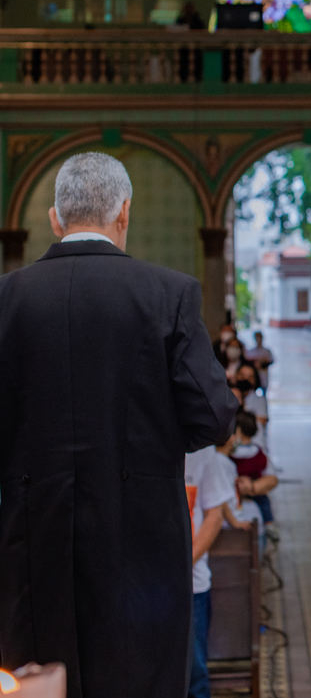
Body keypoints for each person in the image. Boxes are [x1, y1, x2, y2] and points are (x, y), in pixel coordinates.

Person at [0, 152, 238, 697]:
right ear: (124, 213)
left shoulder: (6, 300)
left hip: (31, 543)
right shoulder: (167, 294)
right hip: (142, 546)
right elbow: (215, 414)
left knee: (40, 682)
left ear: (57, 219)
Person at [185, 445, 237, 698]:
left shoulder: (201, 450)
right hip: (138, 587)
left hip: (192, 586)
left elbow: (215, 515)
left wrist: (181, 567)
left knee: (194, 672)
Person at [230, 412, 279, 538]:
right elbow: (266, 470)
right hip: (255, 482)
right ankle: (269, 523)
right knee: (264, 501)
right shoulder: (258, 451)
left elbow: (273, 480)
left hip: (236, 492)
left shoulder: (230, 453)